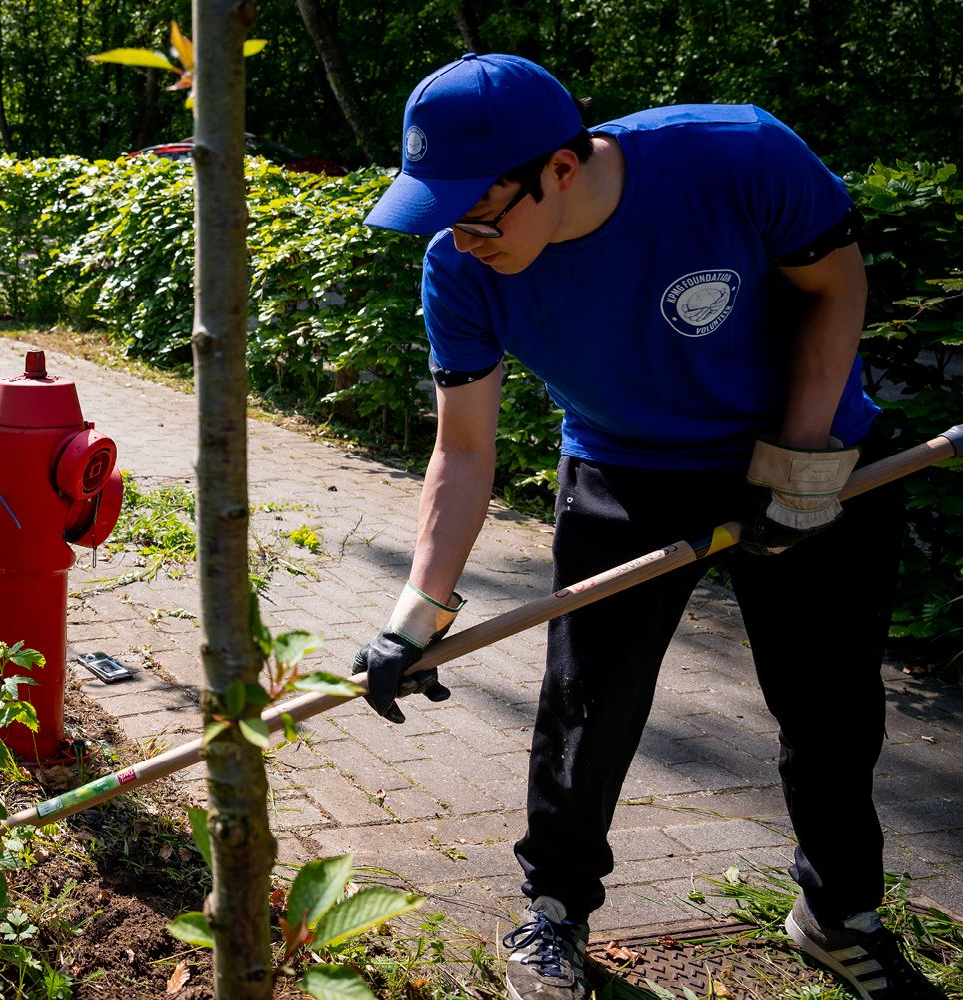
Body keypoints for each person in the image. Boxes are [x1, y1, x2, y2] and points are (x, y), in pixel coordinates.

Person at [355, 53, 942, 1000]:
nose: (461, 239)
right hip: (625, 465)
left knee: (829, 706)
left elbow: (839, 289)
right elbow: (463, 452)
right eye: (441, 214)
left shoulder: (738, 157)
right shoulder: (461, 274)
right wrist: (414, 618)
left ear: (561, 167)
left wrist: (796, 465)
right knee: (588, 700)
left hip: (806, 439)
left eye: (477, 211)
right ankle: (552, 912)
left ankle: (838, 917)